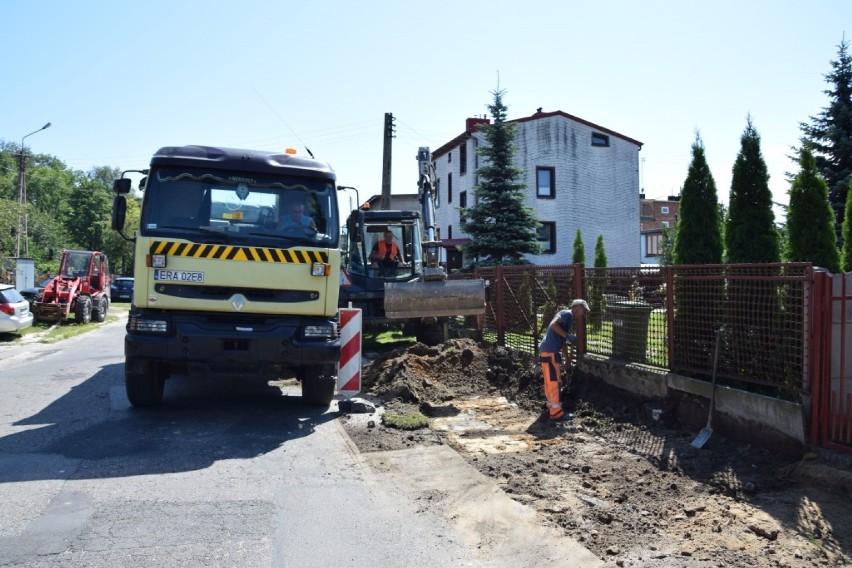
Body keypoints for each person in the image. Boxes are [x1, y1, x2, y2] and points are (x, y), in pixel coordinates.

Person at [538, 299, 590, 422]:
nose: (582, 314)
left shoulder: (568, 319)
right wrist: (568, 336)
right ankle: (556, 413)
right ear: (577, 307)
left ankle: (551, 407)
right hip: (550, 352)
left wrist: (567, 360)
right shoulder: (567, 314)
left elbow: (562, 343)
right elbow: (553, 325)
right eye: (583, 311)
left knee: (550, 382)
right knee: (554, 383)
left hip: (547, 351)